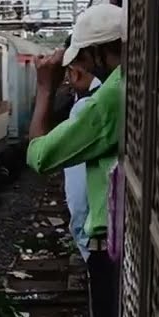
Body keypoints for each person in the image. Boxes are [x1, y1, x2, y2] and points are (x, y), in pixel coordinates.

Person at [25, 3, 124, 317]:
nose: (81, 67)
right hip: (121, 242)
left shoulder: (109, 97)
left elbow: (40, 156)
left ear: (100, 52)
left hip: (109, 250)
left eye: (83, 57)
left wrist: (45, 89)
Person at [63, 61, 101, 262]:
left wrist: (82, 240)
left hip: (98, 243)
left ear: (75, 72)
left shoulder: (86, 107)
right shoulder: (114, 92)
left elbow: (78, 197)